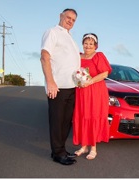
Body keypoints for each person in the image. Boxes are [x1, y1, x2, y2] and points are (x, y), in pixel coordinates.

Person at [40, 8, 80, 165]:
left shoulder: (70, 37)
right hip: (58, 87)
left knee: (66, 122)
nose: (70, 20)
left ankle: (61, 149)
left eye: (73, 19)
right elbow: (44, 57)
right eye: (68, 17)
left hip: (71, 87)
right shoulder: (52, 32)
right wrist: (50, 81)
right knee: (57, 121)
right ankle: (57, 153)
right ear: (60, 16)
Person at [73, 33, 112, 160]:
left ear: (95, 46)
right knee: (82, 115)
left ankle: (93, 148)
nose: (88, 46)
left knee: (92, 115)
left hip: (95, 91)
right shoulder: (77, 56)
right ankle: (83, 146)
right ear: (82, 44)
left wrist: (90, 81)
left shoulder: (98, 56)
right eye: (86, 43)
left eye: (91, 44)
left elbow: (104, 73)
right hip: (81, 92)